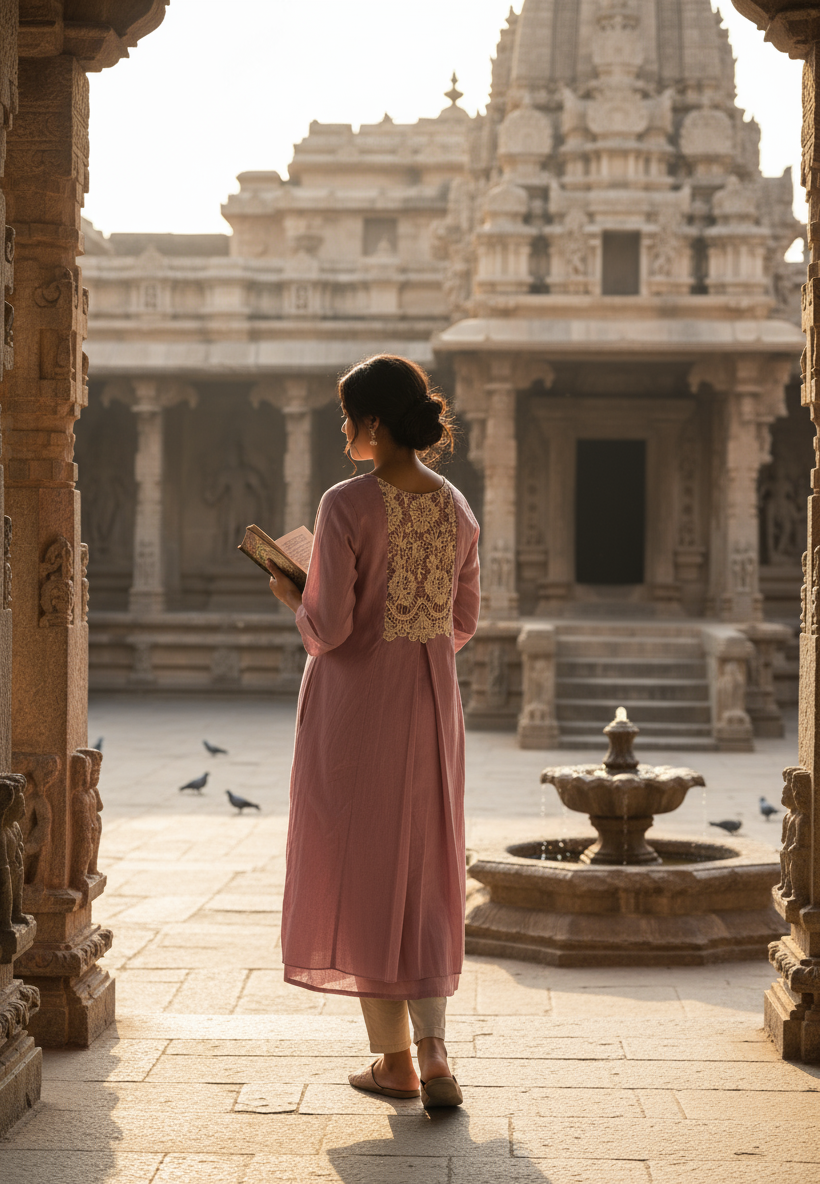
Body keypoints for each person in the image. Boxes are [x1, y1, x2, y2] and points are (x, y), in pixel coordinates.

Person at [267, 354, 480, 1109]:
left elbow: (326, 628)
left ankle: (392, 1062)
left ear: (375, 423)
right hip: (429, 706)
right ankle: (437, 1054)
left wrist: (291, 591)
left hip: (357, 709)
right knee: (424, 870)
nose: (344, 428)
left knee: (363, 867)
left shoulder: (346, 504)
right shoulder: (457, 506)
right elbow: (461, 624)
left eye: (348, 415)